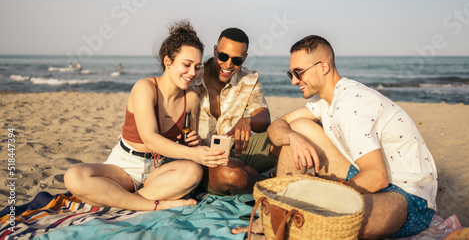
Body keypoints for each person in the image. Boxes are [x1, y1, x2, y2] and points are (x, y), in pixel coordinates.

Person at [242, 35, 438, 239]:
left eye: (299, 73)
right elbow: (276, 127)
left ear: (323, 66)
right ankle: (279, 210)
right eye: (290, 73)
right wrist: (292, 137)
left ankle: (284, 214)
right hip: (361, 174)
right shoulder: (326, 100)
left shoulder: (351, 105)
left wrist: (320, 193)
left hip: (407, 195)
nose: (294, 81)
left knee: (326, 224)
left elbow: (376, 177)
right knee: (298, 127)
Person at [64, 20, 229, 211]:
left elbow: (184, 143)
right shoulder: (145, 88)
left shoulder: (190, 97)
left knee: (193, 171)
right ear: (168, 61)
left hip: (159, 169)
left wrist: (194, 143)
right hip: (125, 166)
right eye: (187, 64)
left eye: (197, 66)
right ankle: (153, 204)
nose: (193, 72)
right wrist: (194, 153)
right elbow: (150, 139)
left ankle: (126, 200)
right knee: (74, 176)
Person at [192, 27, 277, 195]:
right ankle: (265, 182)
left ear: (244, 58)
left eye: (237, 60)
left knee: (286, 136)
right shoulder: (193, 75)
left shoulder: (249, 79)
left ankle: (256, 176)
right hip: (201, 158)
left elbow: (264, 118)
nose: (229, 64)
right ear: (215, 50)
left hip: (237, 150)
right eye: (223, 56)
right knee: (233, 175)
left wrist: (248, 121)